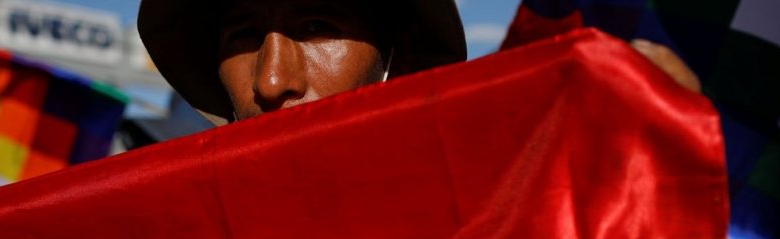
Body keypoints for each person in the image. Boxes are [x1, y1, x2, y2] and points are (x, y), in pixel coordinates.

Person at [138, 0, 700, 126]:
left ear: (395, 57)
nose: (272, 80)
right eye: (243, 35)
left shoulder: (475, 235)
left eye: (317, 27)